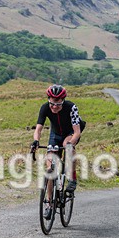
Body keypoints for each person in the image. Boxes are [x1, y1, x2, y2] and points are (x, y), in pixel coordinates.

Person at [30, 84, 85, 219]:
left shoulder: (71, 107)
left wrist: (71, 143)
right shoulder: (44, 108)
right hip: (55, 135)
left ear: (63, 101)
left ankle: (72, 179)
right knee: (49, 169)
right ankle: (49, 203)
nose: (54, 107)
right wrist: (36, 141)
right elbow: (38, 129)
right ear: (49, 100)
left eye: (58, 104)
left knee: (67, 145)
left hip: (70, 133)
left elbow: (77, 132)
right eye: (52, 104)